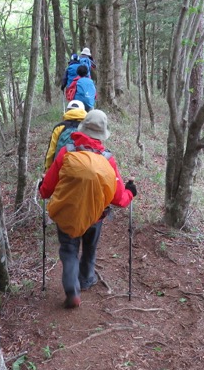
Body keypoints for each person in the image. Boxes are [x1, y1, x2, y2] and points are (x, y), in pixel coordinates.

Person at [39, 110, 137, 308]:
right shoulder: (107, 159)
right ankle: (86, 279)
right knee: (90, 247)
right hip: (95, 217)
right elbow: (119, 199)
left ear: (82, 127)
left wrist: (42, 185)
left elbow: (46, 190)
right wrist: (130, 191)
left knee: (68, 250)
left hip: (67, 214)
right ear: (102, 134)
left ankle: (72, 290)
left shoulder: (66, 152)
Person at [43, 99, 87, 171]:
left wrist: (47, 169)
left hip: (60, 168)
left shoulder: (59, 127)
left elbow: (51, 151)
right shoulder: (88, 127)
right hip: (83, 169)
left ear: (67, 111)